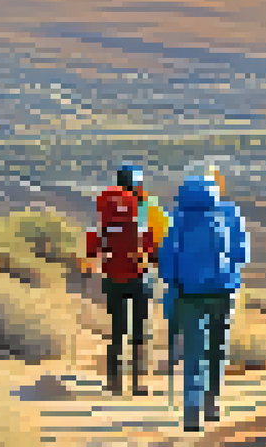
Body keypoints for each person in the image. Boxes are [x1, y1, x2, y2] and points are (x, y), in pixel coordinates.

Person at [160, 163, 250, 432]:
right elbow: (241, 254)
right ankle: (212, 405)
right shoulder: (230, 213)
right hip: (222, 291)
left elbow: (167, 255)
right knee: (217, 348)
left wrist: (174, 282)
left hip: (188, 293)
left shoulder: (178, 215)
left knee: (193, 351)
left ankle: (191, 410)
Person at [85, 164, 159, 396]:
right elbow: (150, 241)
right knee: (139, 332)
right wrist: (156, 260)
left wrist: (95, 259)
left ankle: (114, 382)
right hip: (139, 276)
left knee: (117, 331)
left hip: (112, 275)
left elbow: (93, 240)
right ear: (137, 183)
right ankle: (139, 384)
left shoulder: (106, 206)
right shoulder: (143, 205)